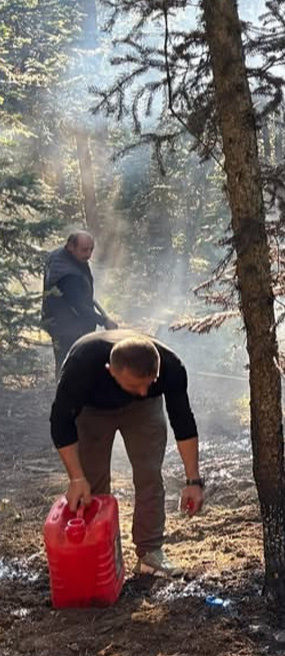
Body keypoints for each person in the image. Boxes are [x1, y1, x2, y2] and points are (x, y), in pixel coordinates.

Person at [50, 330, 204, 578]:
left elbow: (183, 421)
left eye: (150, 382)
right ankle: (101, 554)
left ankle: (150, 553)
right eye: (135, 385)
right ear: (111, 370)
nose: (143, 390)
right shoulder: (82, 366)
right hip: (93, 410)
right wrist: (76, 478)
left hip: (144, 413)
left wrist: (193, 480)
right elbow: (60, 422)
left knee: (149, 475)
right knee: (92, 485)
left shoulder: (170, 367)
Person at [42, 231, 117, 374]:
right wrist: (104, 321)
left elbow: (79, 299)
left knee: (67, 365)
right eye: (84, 249)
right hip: (67, 327)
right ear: (70, 246)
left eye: (91, 249)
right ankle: (66, 394)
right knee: (71, 367)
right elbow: (78, 306)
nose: (88, 254)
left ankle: (67, 392)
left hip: (61, 322)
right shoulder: (68, 274)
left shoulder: (62, 257)